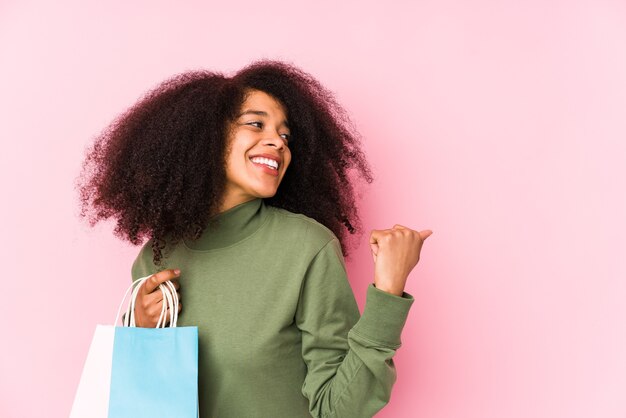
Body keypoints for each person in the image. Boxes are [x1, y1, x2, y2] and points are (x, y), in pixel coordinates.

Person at [77, 60, 432, 418]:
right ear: (207, 136)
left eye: (285, 135)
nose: (277, 142)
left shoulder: (306, 247)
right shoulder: (156, 258)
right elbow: (147, 398)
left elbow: (338, 409)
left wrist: (388, 292)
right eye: (256, 124)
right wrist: (139, 329)